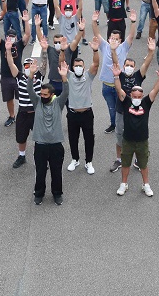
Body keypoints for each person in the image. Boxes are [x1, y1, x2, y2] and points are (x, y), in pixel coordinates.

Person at [112, 62, 159, 197]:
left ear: (142, 96)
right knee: (125, 164)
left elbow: (154, 91)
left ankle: (146, 184)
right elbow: (119, 90)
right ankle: (123, 184)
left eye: (139, 97)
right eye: (134, 96)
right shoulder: (126, 102)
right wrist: (116, 77)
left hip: (142, 141)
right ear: (131, 95)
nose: (136, 99)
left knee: (143, 164)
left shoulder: (146, 103)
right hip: (128, 140)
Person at [29, 60, 70, 205]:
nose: (43, 96)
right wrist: (31, 74)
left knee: (56, 171)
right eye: (41, 94)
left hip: (56, 145)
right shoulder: (37, 102)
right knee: (40, 172)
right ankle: (39, 194)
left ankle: (57, 194)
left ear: (52, 95)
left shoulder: (58, 103)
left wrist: (64, 77)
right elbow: (30, 90)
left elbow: (66, 92)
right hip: (40, 145)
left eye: (46, 94)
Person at [65, 37, 101, 175]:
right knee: (73, 138)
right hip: (72, 113)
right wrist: (63, 50)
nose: (78, 68)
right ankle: (75, 159)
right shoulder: (69, 76)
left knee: (89, 139)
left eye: (80, 66)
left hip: (87, 113)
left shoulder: (88, 76)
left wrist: (95, 50)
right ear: (73, 68)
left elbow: (96, 64)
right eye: (76, 66)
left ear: (84, 67)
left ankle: (88, 162)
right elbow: (62, 63)